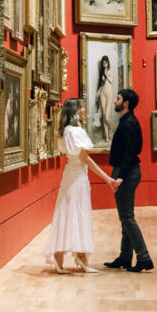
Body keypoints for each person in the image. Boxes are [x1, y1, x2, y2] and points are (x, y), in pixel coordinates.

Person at [45, 98, 120, 274]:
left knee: (67, 212)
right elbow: (85, 158)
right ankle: (80, 257)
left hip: (71, 175)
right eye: (81, 108)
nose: (84, 110)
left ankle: (61, 257)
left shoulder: (66, 131)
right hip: (77, 177)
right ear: (75, 112)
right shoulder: (76, 131)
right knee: (78, 213)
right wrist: (107, 178)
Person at [104, 89, 154, 272]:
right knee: (125, 217)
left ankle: (144, 258)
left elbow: (130, 153)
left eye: (117, 98)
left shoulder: (128, 124)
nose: (115, 101)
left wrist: (120, 177)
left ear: (125, 103)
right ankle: (125, 257)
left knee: (127, 217)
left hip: (127, 172)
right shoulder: (128, 121)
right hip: (128, 171)